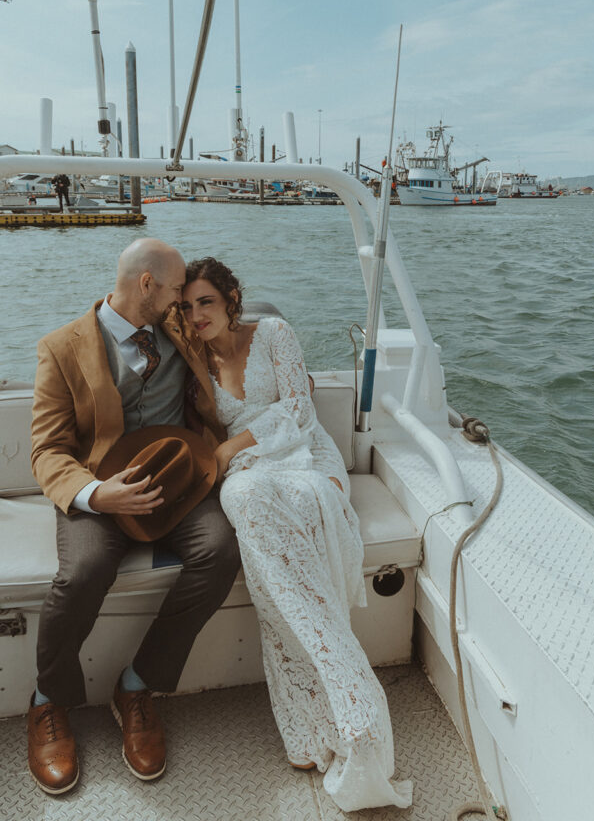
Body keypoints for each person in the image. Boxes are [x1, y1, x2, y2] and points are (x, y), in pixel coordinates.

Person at [181, 257, 413, 813]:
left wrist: (230, 449)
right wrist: (228, 458)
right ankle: (316, 717)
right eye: (186, 307)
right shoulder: (192, 362)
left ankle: (343, 704)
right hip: (249, 473)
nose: (196, 316)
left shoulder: (275, 333)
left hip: (303, 450)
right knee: (242, 502)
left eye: (205, 302)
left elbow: (298, 407)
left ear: (232, 297)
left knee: (307, 502)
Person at [28, 239, 240, 796]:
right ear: (146, 285)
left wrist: (290, 385)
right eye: (175, 290)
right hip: (100, 491)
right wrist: (97, 494)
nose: (184, 302)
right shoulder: (61, 347)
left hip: (179, 482)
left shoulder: (180, 330)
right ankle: (49, 700)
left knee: (220, 550)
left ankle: (138, 684)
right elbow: (47, 449)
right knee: (83, 572)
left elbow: (234, 339)